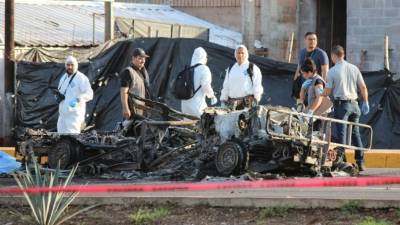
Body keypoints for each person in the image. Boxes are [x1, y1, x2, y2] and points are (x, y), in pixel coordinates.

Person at [323, 45, 370, 171]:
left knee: (341, 135)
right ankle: (360, 162)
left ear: (333, 56)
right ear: (343, 55)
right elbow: (363, 87)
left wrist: (319, 93)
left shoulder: (332, 71)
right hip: (355, 105)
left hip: (342, 105)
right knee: (355, 134)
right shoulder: (354, 68)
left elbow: (327, 92)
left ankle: (340, 162)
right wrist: (365, 102)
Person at [57, 56, 93, 134]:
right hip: (63, 114)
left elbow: (89, 94)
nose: (69, 67)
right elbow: (61, 91)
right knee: (61, 137)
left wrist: (77, 99)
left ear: (76, 65)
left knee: (73, 138)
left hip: (74, 115)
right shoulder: (63, 78)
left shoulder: (81, 78)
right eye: (68, 65)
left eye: (72, 65)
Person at [220, 45, 263, 110]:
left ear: (246, 54)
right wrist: (223, 99)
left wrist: (256, 99)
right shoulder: (231, 68)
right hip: (231, 104)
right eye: (238, 53)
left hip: (247, 104)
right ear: (235, 54)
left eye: (242, 53)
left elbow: (257, 85)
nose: (240, 55)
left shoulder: (252, 68)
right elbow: (226, 85)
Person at [181, 47, 218, 118]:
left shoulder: (188, 69)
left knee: (186, 127)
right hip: (198, 106)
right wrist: (212, 95)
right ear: (203, 57)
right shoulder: (204, 69)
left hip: (185, 106)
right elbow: (205, 86)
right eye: (206, 57)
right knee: (203, 125)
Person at [292, 32, 329, 102]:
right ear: (305, 40)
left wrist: (324, 89)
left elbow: (325, 72)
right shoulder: (302, 52)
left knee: (314, 109)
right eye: (310, 39)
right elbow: (298, 68)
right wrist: (294, 83)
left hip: (315, 87)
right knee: (301, 109)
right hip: (303, 87)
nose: (312, 41)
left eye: (314, 39)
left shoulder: (321, 54)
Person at [120, 48, 151, 120]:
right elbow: (124, 91)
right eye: (140, 58)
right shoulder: (128, 72)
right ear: (133, 58)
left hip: (142, 109)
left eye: (144, 59)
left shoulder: (143, 72)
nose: (143, 61)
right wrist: (125, 108)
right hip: (132, 109)